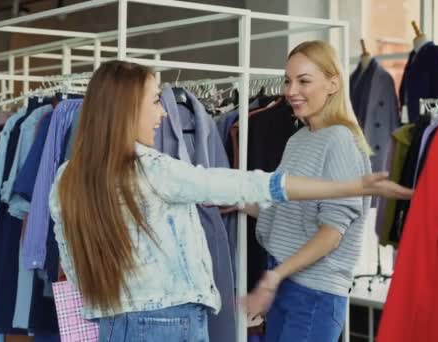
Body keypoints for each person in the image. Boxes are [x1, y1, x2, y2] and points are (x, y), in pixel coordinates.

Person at [48, 60, 411, 342]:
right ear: (125, 109)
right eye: (156, 100)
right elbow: (251, 184)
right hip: (168, 321)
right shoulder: (152, 170)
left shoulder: (67, 177)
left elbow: (75, 266)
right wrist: (348, 186)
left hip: (113, 323)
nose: (162, 112)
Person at [242, 40, 380, 342]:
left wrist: (275, 277)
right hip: (285, 283)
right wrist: (236, 201)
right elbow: (284, 208)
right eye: (288, 80)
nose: (291, 91)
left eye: (304, 81)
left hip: (314, 293)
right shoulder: (300, 139)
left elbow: (331, 233)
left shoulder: (340, 141)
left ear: (333, 84)